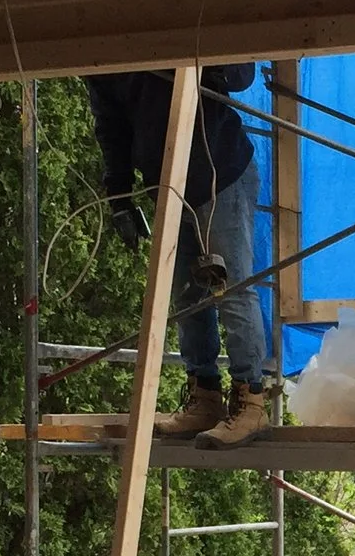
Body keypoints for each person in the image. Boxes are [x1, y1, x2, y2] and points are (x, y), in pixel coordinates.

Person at [87, 64, 270, 448]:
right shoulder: (106, 51)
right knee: (188, 295)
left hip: (219, 168)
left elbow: (242, 74)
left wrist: (206, 62)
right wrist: (119, 195)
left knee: (233, 286)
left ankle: (251, 399)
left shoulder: (179, 22)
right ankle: (204, 396)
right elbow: (111, 125)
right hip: (168, 180)